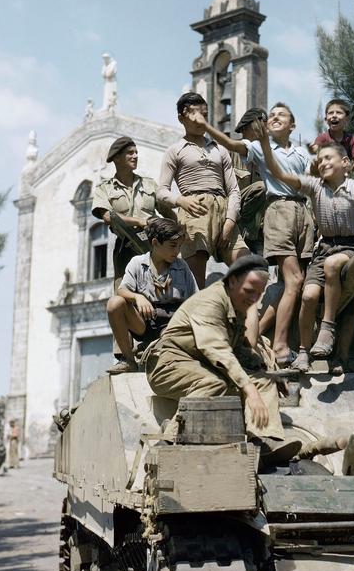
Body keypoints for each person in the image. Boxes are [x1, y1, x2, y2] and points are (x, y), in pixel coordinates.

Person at [146, 255, 300, 466]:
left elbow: (237, 348)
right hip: (168, 364)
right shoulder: (211, 302)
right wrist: (249, 389)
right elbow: (217, 349)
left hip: (202, 363)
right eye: (249, 291)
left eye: (258, 294)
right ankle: (169, 442)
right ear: (233, 281)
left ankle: (262, 441)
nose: (253, 299)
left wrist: (264, 368)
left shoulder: (236, 304)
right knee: (213, 383)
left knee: (263, 380)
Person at [257, 126, 354, 372]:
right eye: (321, 158)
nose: (323, 162)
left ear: (346, 163)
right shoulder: (315, 186)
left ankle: (327, 330)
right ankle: (304, 351)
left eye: (329, 158)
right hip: (325, 246)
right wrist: (265, 145)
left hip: (352, 247)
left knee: (336, 270)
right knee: (308, 295)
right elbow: (279, 174)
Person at [203, 103, 313, 367]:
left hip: (303, 210)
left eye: (280, 115)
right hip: (279, 210)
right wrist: (205, 126)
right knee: (293, 280)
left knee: (296, 284)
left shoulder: (301, 151)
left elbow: (312, 178)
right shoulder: (257, 147)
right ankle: (280, 345)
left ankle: (262, 336)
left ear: (293, 125)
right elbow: (231, 143)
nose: (274, 118)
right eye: (271, 115)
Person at [156, 92, 248, 288]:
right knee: (196, 282)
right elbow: (161, 191)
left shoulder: (220, 149)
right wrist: (180, 201)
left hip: (223, 210)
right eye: (194, 114)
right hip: (194, 213)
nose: (200, 120)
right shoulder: (175, 150)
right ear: (182, 117)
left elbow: (233, 190)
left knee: (248, 269)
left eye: (204, 115)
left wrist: (230, 221)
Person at [106, 218, 198, 374]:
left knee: (167, 348)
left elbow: (196, 300)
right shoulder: (137, 262)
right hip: (145, 322)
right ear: (155, 243)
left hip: (173, 323)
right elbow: (122, 290)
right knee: (115, 304)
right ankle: (129, 361)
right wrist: (137, 297)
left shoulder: (181, 266)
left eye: (179, 246)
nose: (177, 251)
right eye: (172, 246)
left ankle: (156, 348)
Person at [92, 137, 174, 287]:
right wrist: (139, 221)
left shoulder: (149, 184)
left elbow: (170, 215)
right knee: (123, 296)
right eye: (130, 153)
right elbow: (107, 216)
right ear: (117, 157)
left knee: (161, 294)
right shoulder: (104, 188)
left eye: (136, 152)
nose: (135, 156)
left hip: (154, 246)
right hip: (126, 247)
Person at [230, 108, 269, 253]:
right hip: (236, 221)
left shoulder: (267, 158)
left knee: (260, 270)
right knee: (261, 187)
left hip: (258, 229)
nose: (263, 130)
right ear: (245, 127)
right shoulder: (229, 152)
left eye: (265, 126)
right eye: (258, 125)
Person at [312, 98, 354, 172]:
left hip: (344, 177)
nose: (334, 116)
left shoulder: (352, 139)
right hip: (326, 175)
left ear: (347, 119)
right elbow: (315, 149)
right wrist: (313, 149)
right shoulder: (322, 138)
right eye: (331, 113)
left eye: (338, 112)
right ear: (326, 119)